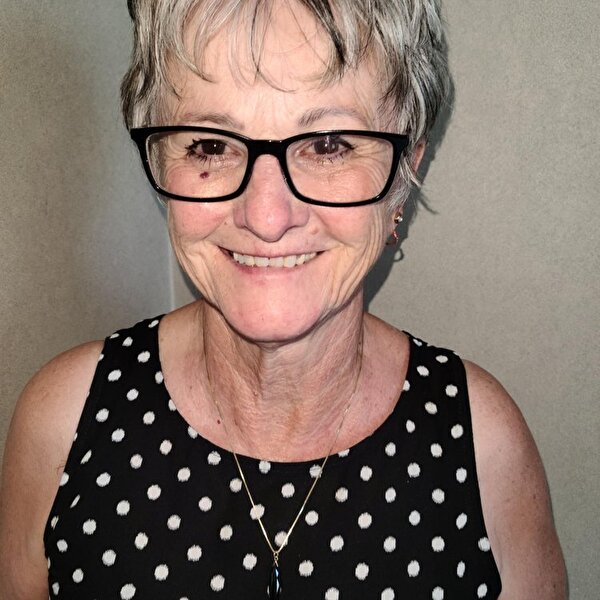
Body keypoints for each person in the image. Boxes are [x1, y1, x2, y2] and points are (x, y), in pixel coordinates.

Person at [0, 1, 566, 598]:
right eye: (210, 145)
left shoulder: (484, 444)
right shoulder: (61, 423)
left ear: (404, 175)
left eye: (328, 145)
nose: (267, 217)